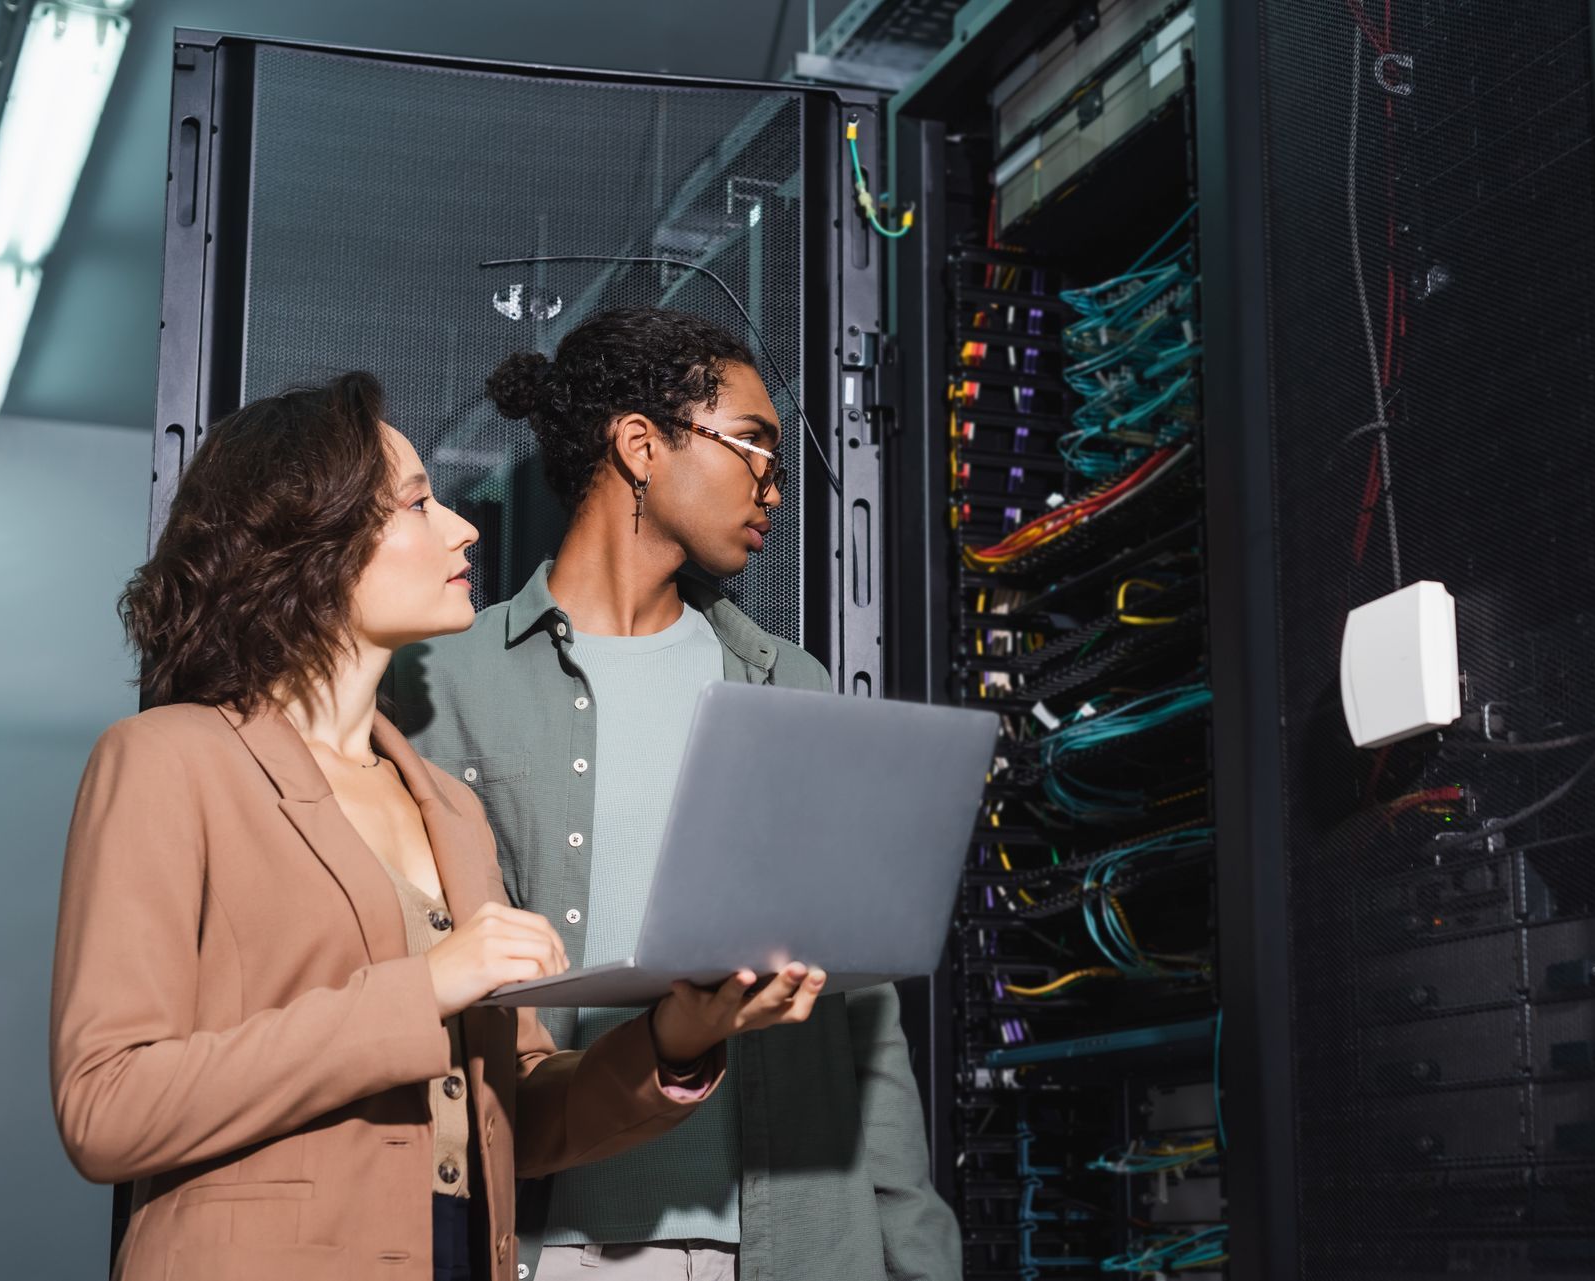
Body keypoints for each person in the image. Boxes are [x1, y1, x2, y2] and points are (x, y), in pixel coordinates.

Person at [50, 373, 827, 1281]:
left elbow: (520, 1113)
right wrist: (423, 989)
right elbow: (106, 1105)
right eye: (419, 503)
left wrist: (676, 1041)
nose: (463, 526)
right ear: (313, 543)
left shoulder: (447, 809)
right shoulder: (164, 760)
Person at [388, 308, 959, 1281]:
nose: (770, 484)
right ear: (641, 445)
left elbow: (866, 1021)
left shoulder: (790, 686)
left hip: (792, 1243)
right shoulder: (443, 684)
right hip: (556, 1248)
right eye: (751, 446)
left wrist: (917, 1254)